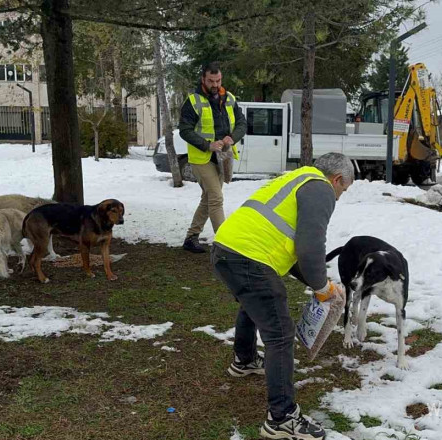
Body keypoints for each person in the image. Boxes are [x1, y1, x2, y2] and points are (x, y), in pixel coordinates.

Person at [211, 153, 354, 440]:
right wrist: (321, 286)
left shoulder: (295, 178)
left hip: (226, 248)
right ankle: (282, 418)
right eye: (343, 190)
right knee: (279, 333)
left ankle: (245, 359)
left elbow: (289, 247)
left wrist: (320, 283)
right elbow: (310, 246)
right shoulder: (320, 188)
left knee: (253, 304)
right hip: (250, 257)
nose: (339, 197)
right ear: (337, 180)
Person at [178, 61, 247, 253]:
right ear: (203, 79)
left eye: (218, 80)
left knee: (208, 197)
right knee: (216, 198)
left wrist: (232, 138)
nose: (215, 85)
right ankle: (226, 245)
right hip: (202, 157)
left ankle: (191, 237)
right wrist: (207, 144)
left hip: (223, 155)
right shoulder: (193, 101)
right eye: (211, 81)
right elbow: (184, 130)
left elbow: (242, 123)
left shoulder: (230, 98)